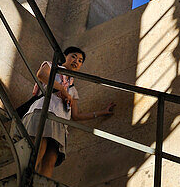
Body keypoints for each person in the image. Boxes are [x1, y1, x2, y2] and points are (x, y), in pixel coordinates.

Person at [23, 46, 115, 177]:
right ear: (65, 56)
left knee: (50, 161)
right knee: (38, 150)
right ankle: (25, 183)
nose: (76, 61)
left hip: (60, 123)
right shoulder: (52, 66)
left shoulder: (73, 88)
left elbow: (76, 116)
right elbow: (42, 75)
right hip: (44, 111)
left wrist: (102, 112)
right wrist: (63, 90)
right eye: (73, 56)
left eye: (80, 60)